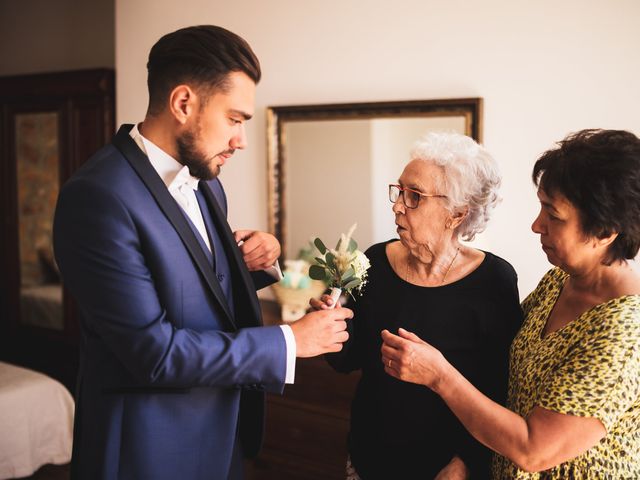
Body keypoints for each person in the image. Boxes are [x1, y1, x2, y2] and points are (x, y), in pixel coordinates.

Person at [52, 25, 352, 480]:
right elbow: (152, 353)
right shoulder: (97, 198)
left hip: (219, 438)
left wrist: (257, 263)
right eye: (234, 119)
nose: (241, 140)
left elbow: (186, 280)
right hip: (146, 451)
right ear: (183, 103)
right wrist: (291, 340)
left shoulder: (206, 181)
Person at [382, 129, 640, 479]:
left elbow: (533, 449)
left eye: (554, 215)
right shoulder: (560, 281)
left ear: (605, 231)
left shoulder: (624, 332)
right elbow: (501, 368)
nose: (537, 225)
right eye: (541, 208)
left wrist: (439, 375)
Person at [312, 132, 523, 479]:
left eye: (415, 197)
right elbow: (346, 361)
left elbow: (501, 387)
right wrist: (329, 327)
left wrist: (467, 461)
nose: (397, 205)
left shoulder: (494, 281)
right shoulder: (375, 261)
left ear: (456, 214)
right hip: (368, 458)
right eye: (399, 192)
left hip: (445, 468)